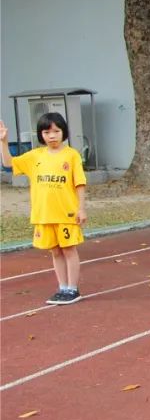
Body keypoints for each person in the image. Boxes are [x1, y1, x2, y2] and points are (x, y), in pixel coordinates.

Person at [0, 115, 87, 305]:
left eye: (56, 131)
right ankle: (62, 286)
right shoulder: (35, 156)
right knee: (55, 251)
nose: (52, 136)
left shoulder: (71, 155)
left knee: (69, 249)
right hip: (44, 214)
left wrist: (81, 209)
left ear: (63, 132)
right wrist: (4, 141)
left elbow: (79, 183)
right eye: (47, 132)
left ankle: (73, 288)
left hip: (66, 213)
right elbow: (8, 163)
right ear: (41, 135)